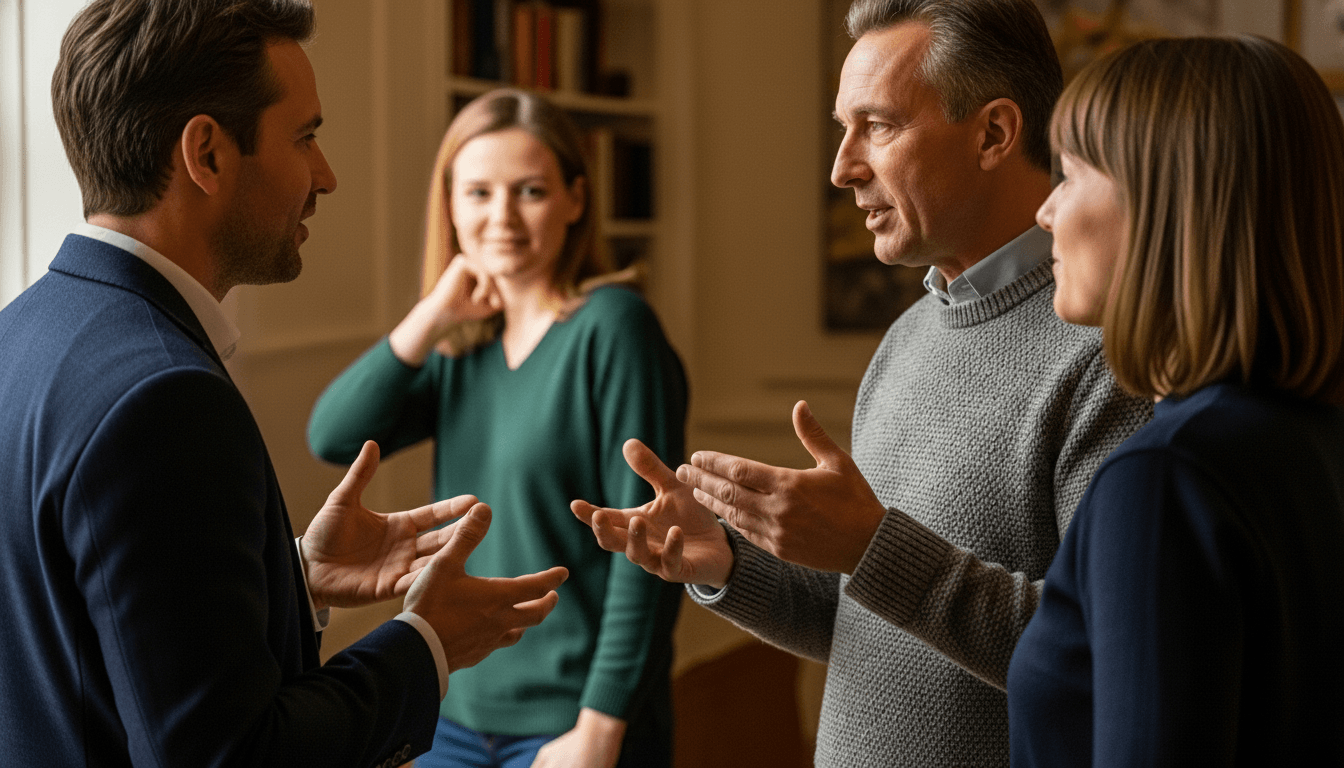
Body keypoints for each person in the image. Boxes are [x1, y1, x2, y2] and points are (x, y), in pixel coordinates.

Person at [572, 0, 1153, 765]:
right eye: (843, 129)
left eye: (876, 126)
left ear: (995, 134)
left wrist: (874, 545)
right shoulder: (911, 334)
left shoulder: (1114, 359)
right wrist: (725, 565)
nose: (842, 166)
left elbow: (1097, 656)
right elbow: (871, 614)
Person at [0, 2, 570, 766]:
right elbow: (233, 755)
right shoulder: (165, 399)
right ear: (206, 153)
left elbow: (88, 634)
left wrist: (291, 576)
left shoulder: (20, 331)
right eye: (305, 136)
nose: (326, 175)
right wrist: (426, 644)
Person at [307, 88, 687, 768]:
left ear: (575, 199)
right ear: (449, 206)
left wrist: (599, 731)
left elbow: (648, 554)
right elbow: (333, 435)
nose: (502, 217)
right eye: (477, 193)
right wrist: (430, 315)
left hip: (575, 721)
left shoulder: (614, 330)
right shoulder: (461, 348)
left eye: (531, 191)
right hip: (451, 707)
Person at [1008, 35, 1344, 766]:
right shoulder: (1313, 441)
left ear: (1165, 204)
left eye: (1068, 174)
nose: (1045, 212)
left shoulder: (1166, 480)